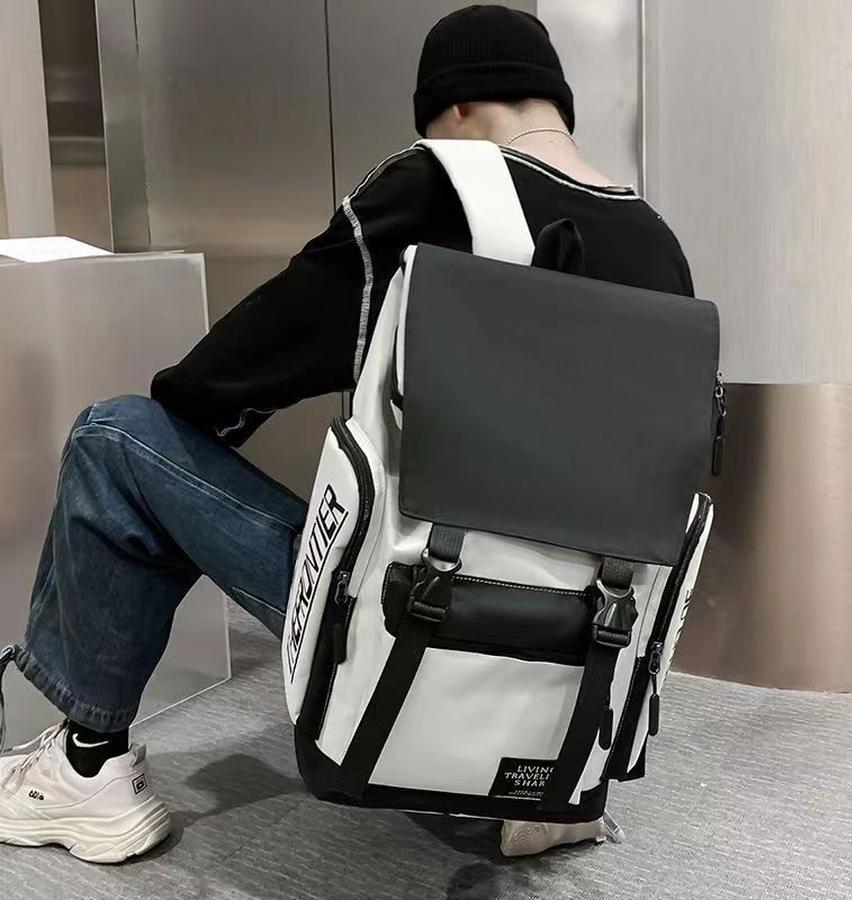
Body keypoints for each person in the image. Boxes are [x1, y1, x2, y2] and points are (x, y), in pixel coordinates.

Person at [0, 5, 694, 863]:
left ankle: (84, 767)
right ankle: (530, 785)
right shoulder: (658, 247)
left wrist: (196, 423)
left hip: (423, 628)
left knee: (120, 439)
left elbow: (241, 366)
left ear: (457, 106)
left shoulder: (440, 186)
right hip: (579, 666)